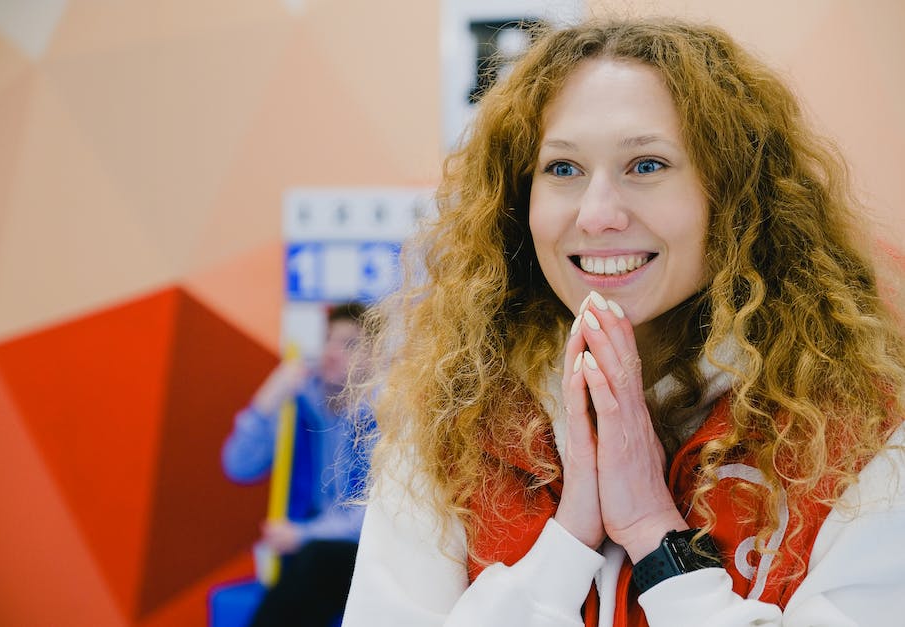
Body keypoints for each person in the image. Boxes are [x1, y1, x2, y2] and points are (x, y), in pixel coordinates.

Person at [341, 17, 905, 627]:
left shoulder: (866, 436)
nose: (598, 212)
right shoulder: (449, 426)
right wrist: (566, 546)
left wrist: (656, 537)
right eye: (562, 169)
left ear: (738, 196)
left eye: (646, 165)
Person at [222, 301, 372, 627]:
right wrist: (266, 402)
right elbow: (238, 465)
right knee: (312, 563)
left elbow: (370, 519)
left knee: (319, 558)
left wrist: (303, 534)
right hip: (308, 555)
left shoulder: (384, 418)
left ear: (376, 358)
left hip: (364, 556)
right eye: (328, 340)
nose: (332, 352)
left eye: (349, 344)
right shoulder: (299, 405)